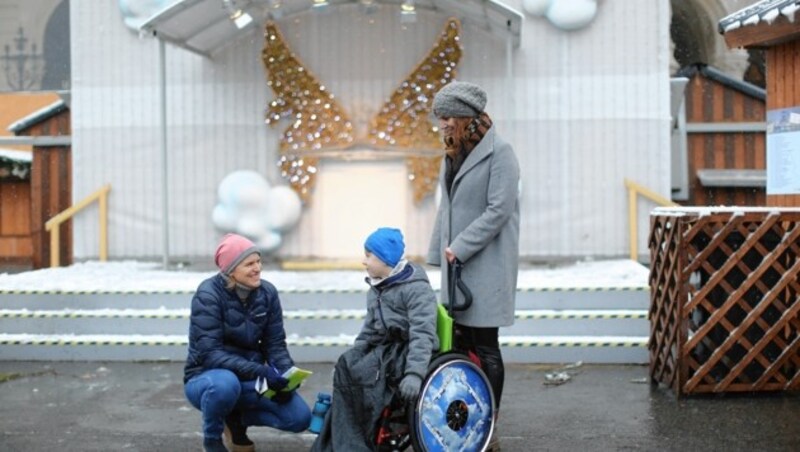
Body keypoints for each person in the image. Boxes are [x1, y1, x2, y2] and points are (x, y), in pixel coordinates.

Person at [427, 81, 520, 415]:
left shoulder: (501, 153)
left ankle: (489, 420)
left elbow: (500, 209)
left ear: (464, 115)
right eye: (440, 116)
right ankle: (466, 418)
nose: (442, 123)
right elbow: (448, 206)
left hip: (487, 262)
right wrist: (438, 251)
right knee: (460, 343)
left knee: (485, 345)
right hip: (459, 264)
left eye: (447, 116)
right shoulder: (453, 151)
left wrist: (460, 247)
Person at [311, 227, 439, 451]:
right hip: (386, 349)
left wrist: (414, 374)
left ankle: (356, 443)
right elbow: (369, 331)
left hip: (407, 352)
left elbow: (423, 333)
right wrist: (351, 359)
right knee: (347, 364)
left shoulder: (416, 289)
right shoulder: (377, 287)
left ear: (385, 258)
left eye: (368, 255)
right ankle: (339, 442)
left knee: (366, 376)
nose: (364, 261)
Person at [184, 233, 311, 452]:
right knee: (225, 386)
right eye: (249, 264)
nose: (258, 268)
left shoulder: (267, 293)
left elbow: (275, 344)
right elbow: (211, 354)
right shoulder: (208, 295)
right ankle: (212, 441)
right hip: (207, 378)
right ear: (231, 270)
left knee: (299, 418)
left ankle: (235, 421)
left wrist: (285, 374)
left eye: (258, 261)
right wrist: (260, 371)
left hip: (251, 379)